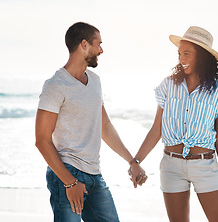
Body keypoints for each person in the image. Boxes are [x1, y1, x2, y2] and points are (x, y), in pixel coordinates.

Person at [35, 22, 147, 222]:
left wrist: (132, 161)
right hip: (66, 174)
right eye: (98, 44)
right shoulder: (55, 85)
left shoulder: (95, 81)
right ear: (84, 45)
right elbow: (42, 140)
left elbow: (104, 126)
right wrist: (70, 183)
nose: (101, 50)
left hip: (94, 175)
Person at [131, 26, 218, 221]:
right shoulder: (168, 86)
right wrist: (136, 161)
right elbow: (156, 129)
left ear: (202, 56)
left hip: (205, 166)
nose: (181, 59)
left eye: (187, 54)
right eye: (179, 54)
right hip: (171, 166)